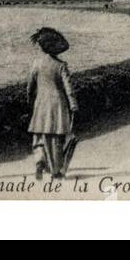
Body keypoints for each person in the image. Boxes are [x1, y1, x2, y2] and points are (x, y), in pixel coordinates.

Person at [27, 39, 78, 181]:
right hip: (57, 106)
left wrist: (30, 101)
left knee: (39, 135)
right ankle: (56, 172)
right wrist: (73, 105)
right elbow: (69, 89)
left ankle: (39, 160)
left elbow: (30, 87)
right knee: (56, 138)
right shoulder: (61, 66)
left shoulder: (37, 63)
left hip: (41, 104)